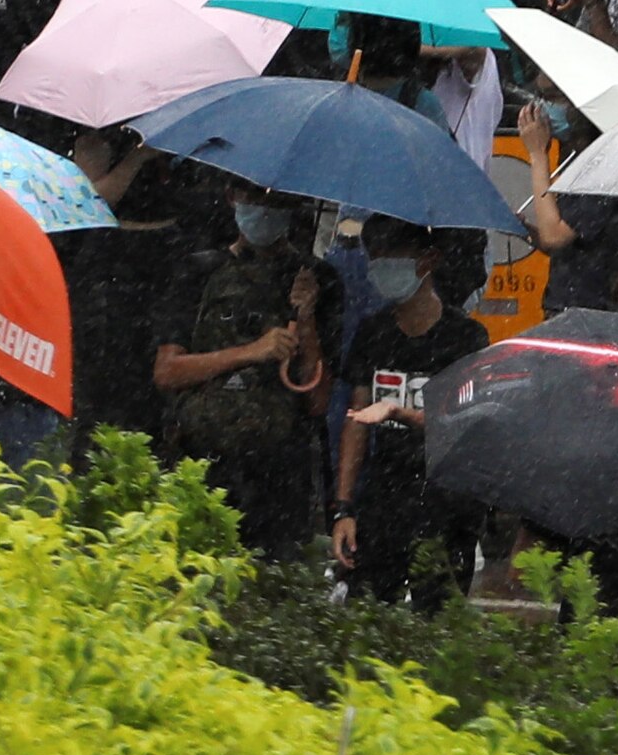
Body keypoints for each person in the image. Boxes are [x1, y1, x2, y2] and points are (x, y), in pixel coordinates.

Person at [155, 187, 328, 562]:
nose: (264, 211)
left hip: (278, 480)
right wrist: (251, 352)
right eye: (255, 198)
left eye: (276, 201)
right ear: (233, 197)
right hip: (202, 463)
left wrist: (307, 317)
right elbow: (167, 372)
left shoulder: (316, 279)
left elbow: (318, 398)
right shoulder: (198, 270)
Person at [329, 232, 490, 607]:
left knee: (437, 619)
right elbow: (355, 421)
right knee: (367, 612)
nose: (379, 263)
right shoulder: (373, 332)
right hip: (384, 497)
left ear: (427, 260)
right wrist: (344, 508)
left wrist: (400, 413)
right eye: (375, 255)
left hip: (447, 504)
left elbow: (463, 426)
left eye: (391, 252)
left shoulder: (465, 337)